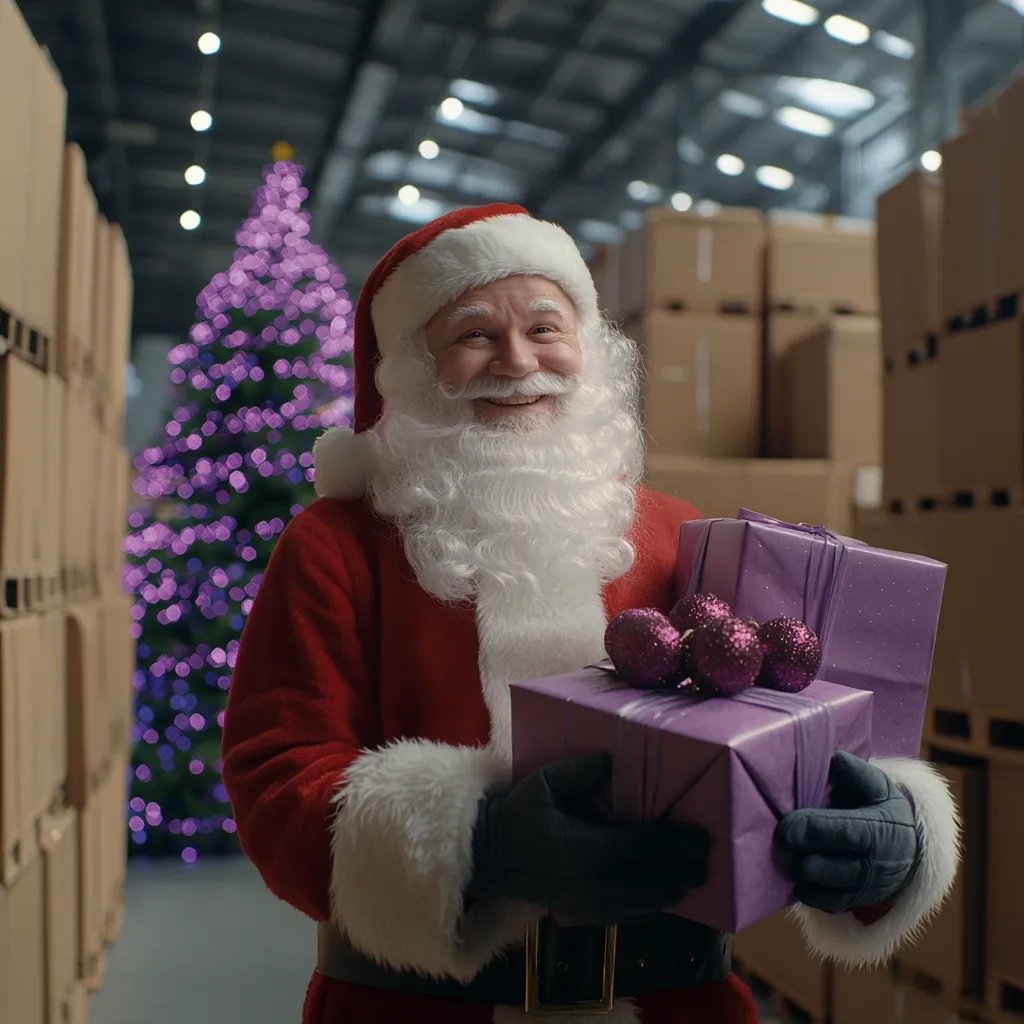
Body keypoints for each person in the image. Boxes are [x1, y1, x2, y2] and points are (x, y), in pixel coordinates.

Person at [221, 203, 960, 1024]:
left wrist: (892, 823)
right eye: (473, 335)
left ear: (589, 350)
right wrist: (480, 844)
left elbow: (787, 714)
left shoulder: (681, 532)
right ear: (412, 366)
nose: (518, 361)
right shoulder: (337, 544)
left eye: (546, 328)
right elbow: (276, 769)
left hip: (673, 997)